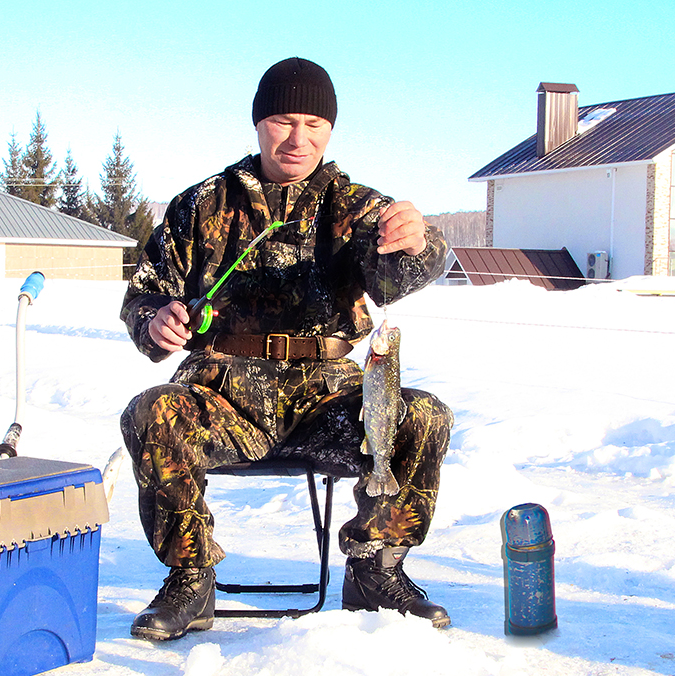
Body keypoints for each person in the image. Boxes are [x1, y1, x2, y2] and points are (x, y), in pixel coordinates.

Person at [120, 57, 453, 641]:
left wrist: (419, 242)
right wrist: (156, 324)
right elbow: (145, 297)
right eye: (282, 120)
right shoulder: (199, 206)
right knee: (151, 411)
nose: (298, 139)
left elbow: (394, 280)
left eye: (314, 124)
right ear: (257, 123)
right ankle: (190, 578)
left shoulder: (357, 207)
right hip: (222, 391)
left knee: (421, 415)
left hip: (326, 396)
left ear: (331, 130)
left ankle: (376, 569)